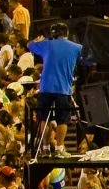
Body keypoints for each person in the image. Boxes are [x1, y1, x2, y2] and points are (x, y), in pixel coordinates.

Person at [27, 24, 83, 154]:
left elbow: (30, 45)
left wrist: (37, 40)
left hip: (45, 88)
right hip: (63, 90)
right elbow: (88, 59)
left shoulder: (47, 44)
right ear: (66, 33)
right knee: (62, 119)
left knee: (43, 118)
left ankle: (45, 148)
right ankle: (59, 149)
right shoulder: (76, 48)